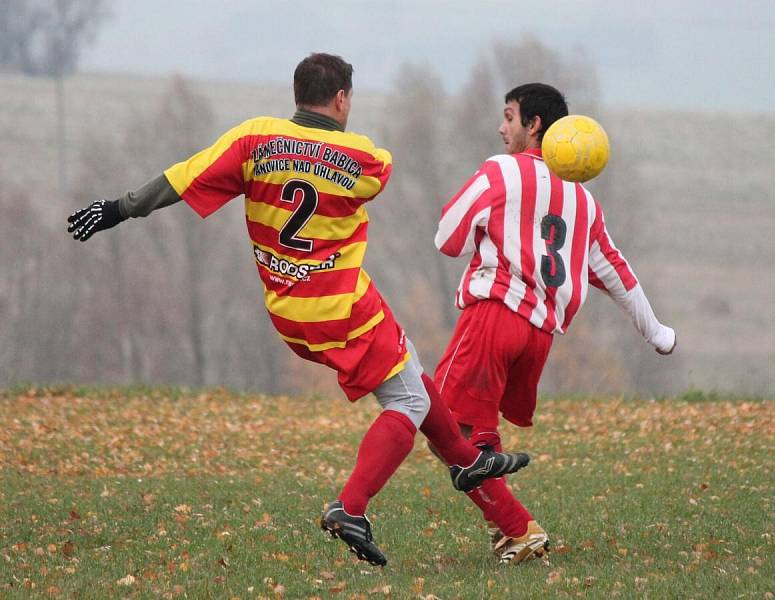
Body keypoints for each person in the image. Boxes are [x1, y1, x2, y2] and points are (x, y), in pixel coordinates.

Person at [66, 53, 532, 567]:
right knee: (408, 402)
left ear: (297, 94)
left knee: (412, 371)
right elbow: (379, 174)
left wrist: (118, 208)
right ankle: (350, 508)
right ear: (341, 99)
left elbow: (182, 178)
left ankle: (469, 465)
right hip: (343, 309)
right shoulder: (362, 156)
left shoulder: (253, 140)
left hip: (288, 311)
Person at [432, 83, 676, 564]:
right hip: (539, 337)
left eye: (509, 116)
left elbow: (447, 237)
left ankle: (518, 528)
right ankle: (508, 529)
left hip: (493, 318)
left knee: (443, 425)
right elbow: (615, 272)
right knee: (477, 434)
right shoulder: (585, 203)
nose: (501, 128)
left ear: (534, 125)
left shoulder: (501, 170)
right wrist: (656, 331)